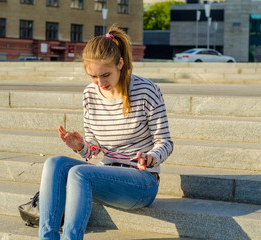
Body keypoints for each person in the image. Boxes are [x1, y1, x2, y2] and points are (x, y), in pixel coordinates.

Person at [39, 25, 174, 240]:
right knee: (54, 163)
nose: (100, 83)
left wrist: (152, 156)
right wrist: (82, 147)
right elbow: (94, 150)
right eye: (93, 76)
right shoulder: (90, 94)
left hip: (142, 181)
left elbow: (165, 141)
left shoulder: (146, 90)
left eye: (106, 75)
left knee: (79, 173)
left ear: (120, 63)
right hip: (106, 173)